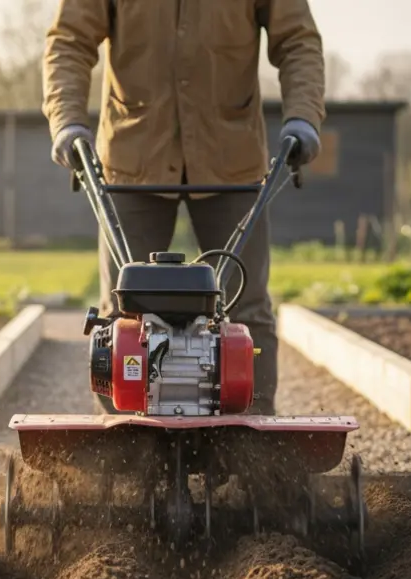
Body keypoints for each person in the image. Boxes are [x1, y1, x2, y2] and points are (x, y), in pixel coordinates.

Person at [41, 0, 325, 416]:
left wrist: (303, 117)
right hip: (134, 153)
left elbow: (297, 40)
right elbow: (69, 40)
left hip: (230, 155)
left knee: (245, 307)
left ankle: (255, 448)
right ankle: (122, 447)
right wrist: (66, 121)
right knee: (122, 312)